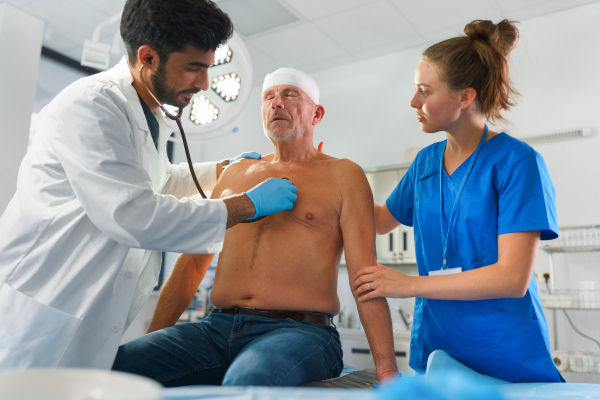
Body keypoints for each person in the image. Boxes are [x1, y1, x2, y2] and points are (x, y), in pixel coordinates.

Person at [0, 0, 297, 370]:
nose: (204, 84)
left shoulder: (147, 112)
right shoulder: (92, 106)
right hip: (39, 322)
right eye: (194, 68)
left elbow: (159, 181)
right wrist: (246, 205)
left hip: (82, 324)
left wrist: (223, 168)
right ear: (148, 57)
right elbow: (133, 214)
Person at [112, 68, 399, 386]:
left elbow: (365, 279)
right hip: (216, 327)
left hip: (301, 331)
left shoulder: (345, 175)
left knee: (247, 380)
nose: (277, 103)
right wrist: (155, 338)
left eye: (290, 94)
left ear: (316, 113)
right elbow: (192, 265)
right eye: (268, 97)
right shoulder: (236, 173)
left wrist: (386, 370)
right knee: (119, 369)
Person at [354, 20, 563, 383]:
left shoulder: (517, 163)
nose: (413, 102)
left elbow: (513, 278)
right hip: (438, 347)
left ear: (465, 97)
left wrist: (408, 285)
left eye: (424, 91)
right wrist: (329, 179)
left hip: (503, 352)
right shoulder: (424, 163)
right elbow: (381, 220)